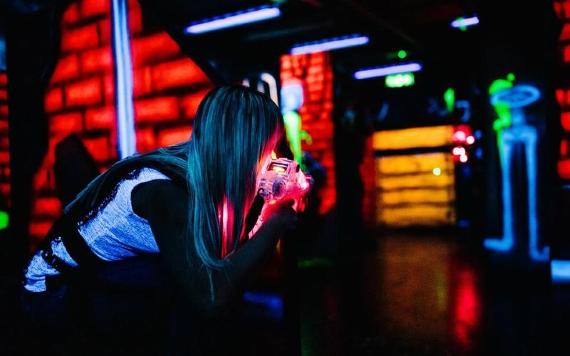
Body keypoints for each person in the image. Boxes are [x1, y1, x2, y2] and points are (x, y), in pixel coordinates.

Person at [19, 85, 298, 353]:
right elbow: (212, 298)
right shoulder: (168, 194)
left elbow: (224, 265)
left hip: (93, 277)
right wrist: (274, 223)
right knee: (190, 304)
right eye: (267, 149)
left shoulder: (197, 175)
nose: (271, 160)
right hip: (50, 291)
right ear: (242, 151)